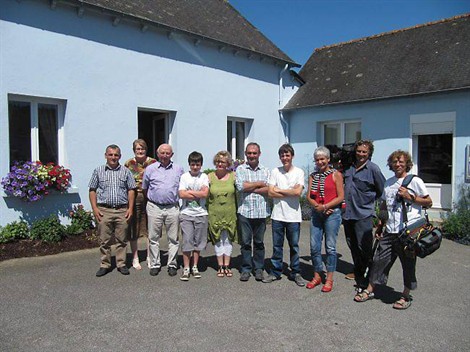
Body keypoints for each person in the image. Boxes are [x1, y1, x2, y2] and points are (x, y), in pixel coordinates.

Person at [354, 150, 432, 310]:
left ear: (407, 164)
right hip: (390, 230)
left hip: (408, 231)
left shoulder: (415, 181)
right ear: (391, 164)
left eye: (401, 162)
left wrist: (410, 197)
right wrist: (380, 225)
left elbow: (428, 202)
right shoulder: (388, 183)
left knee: (408, 264)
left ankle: (405, 294)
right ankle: (370, 290)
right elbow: (384, 205)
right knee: (378, 261)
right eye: (395, 162)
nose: (398, 165)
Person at [342, 140, 385, 290]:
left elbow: (382, 191)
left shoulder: (373, 169)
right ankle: (358, 270)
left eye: (364, 152)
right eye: (359, 151)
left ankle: (369, 276)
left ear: (369, 154)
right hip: (348, 214)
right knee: (352, 243)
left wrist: (380, 214)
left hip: (363, 214)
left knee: (364, 247)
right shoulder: (349, 168)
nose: (361, 154)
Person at [89, 144, 136, 277]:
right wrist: (95, 208)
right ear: (106, 155)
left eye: (116, 155)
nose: (113, 157)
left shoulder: (126, 171)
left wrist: (130, 208)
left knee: (122, 239)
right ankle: (105, 264)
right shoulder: (98, 171)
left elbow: (131, 190)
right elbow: (92, 190)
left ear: (120, 156)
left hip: (122, 210)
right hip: (104, 210)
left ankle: (121, 264)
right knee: (105, 240)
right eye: (110, 154)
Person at [263, 144, 305, 287]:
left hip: (293, 216)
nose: (285, 158)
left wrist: (279, 190)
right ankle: (275, 272)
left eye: (287, 155)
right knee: (277, 246)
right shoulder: (275, 171)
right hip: (278, 216)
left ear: (292, 156)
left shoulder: (299, 172)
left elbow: (297, 193)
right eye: (282, 155)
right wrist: (289, 191)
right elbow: (270, 192)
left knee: (294, 246)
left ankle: (295, 272)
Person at [306, 146, 344, 292]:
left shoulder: (336, 175)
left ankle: (329, 278)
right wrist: (317, 206)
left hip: (332, 214)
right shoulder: (313, 176)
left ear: (328, 159)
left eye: (322, 159)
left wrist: (326, 206)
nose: (320, 162)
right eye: (317, 159)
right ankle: (317, 275)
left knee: (330, 247)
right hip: (317, 213)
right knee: (314, 246)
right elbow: (309, 196)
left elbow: (341, 196)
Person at [142, 144, 184, 277]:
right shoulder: (150, 169)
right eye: (162, 153)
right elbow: (145, 188)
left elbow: (182, 187)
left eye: (167, 153)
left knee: (173, 238)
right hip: (155, 207)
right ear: (157, 154)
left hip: (172, 207)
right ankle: (155, 264)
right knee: (153, 237)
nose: (165, 156)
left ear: (171, 155)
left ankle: (172, 264)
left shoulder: (179, 169)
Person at [235, 143, 270, 282]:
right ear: (245, 153)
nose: (252, 156)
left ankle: (259, 269)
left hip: (261, 212)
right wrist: (259, 183)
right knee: (245, 243)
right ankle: (246, 269)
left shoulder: (266, 170)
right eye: (249, 153)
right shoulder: (240, 169)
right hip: (245, 211)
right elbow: (240, 187)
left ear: (259, 154)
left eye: (254, 153)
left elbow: (268, 189)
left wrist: (249, 186)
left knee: (259, 243)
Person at [124, 139, 157, 270]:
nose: (140, 151)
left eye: (142, 148)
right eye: (138, 149)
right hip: (134, 196)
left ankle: (150, 256)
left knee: (150, 226)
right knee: (134, 226)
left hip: (150, 196)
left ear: (146, 149)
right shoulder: (128, 163)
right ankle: (135, 257)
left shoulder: (153, 163)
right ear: (134, 150)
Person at [178, 151, 209, 281]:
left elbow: (205, 194)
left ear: (201, 165)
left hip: (201, 213)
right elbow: (181, 194)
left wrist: (189, 191)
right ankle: (186, 268)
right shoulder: (185, 177)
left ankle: (194, 266)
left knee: (198, 242)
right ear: (189, 165)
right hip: (186, 213)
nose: (195, 167)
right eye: (192, 164)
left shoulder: (204, 176)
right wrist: (196, 192)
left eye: (197, 164)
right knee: (187, 241)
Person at [207, 150, 238, 278]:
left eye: (223, 162)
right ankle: (220, 266)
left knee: (228, 239)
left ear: (228, 163)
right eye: (218, 161)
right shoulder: (209, 177)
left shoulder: (234, 176)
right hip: (214, 214)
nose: (220, 164)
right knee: (218, 239)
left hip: (230, 213)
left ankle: (227, 266)